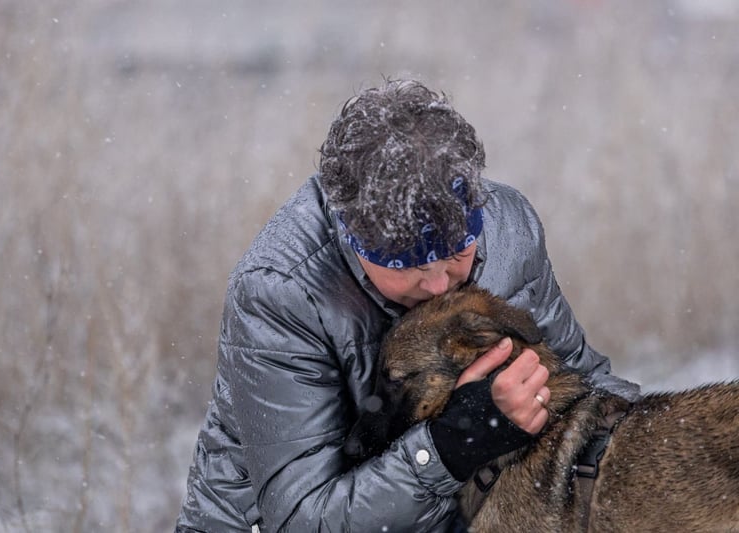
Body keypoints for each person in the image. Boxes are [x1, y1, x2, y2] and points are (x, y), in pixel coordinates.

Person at [175, 79, 639, 532]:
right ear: (352, 235)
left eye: (456, 252)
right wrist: (458, 441)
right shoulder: (280, 292)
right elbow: (302, 517)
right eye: (407, 263)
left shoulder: (508, 227)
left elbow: (584, 380)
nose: (438, 284)